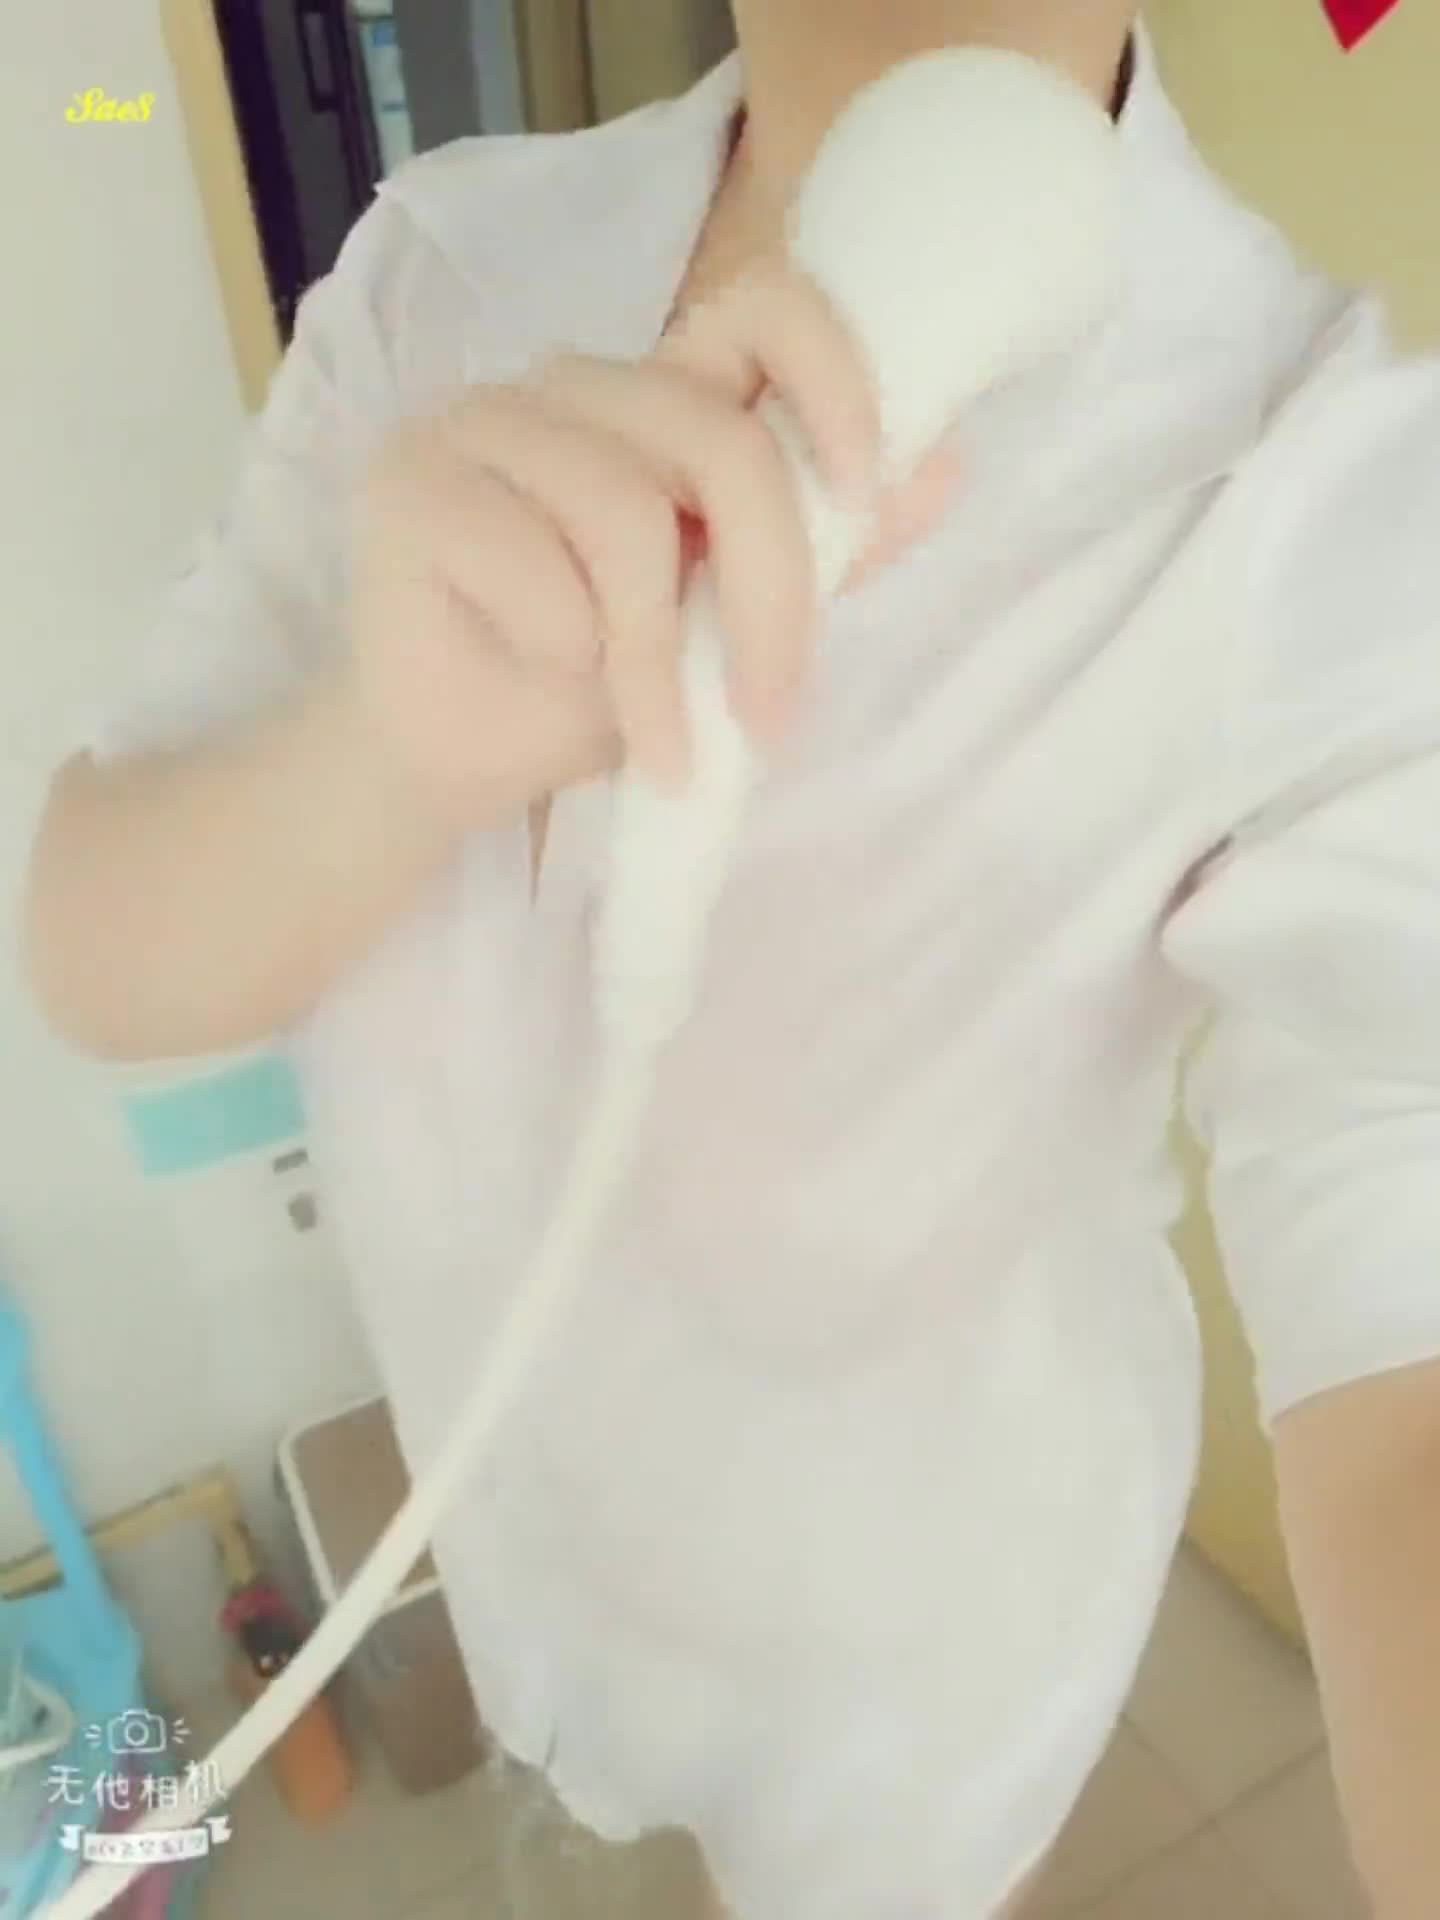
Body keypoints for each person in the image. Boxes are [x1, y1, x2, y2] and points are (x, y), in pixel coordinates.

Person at [22, 2, 1440, 1914]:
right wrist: (378, 758)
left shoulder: (1336, 482)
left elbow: (1407, 1346)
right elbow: (96, 947)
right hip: (521, 1571)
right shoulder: (433, 271)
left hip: (907, 1687)